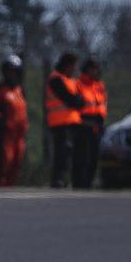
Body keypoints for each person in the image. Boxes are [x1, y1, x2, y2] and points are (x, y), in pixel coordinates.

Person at [0, 55, 29, 187]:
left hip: (19, 135)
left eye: (14, 71)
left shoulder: (20, 91)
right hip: (5, 133)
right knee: (4, 162)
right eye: (9, 71)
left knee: (17, 162)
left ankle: (9, 189)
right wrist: (1, 120)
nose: (11, 75)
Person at [45, 52, 84, 188]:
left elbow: (80, 100)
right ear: (67, 65)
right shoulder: (56, 79)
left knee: (69, 153)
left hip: (72, 121)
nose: (75, 69)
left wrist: (77, 100)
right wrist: (76, 100)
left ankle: (68, 180)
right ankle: (58, 179)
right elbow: (70, 99)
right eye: (74, 66)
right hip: (59, 122)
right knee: (61, 152)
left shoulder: (71, 80)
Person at [74, 59, 107, 189]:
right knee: (82, 158)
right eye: (92, 69)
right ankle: (79, 184)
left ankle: (88, 183)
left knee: (94, 157)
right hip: (83, 125)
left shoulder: (99, 86)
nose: (95, 71)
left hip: (96, 125)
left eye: (96, 69)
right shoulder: (79, 84)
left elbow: (102, 104)